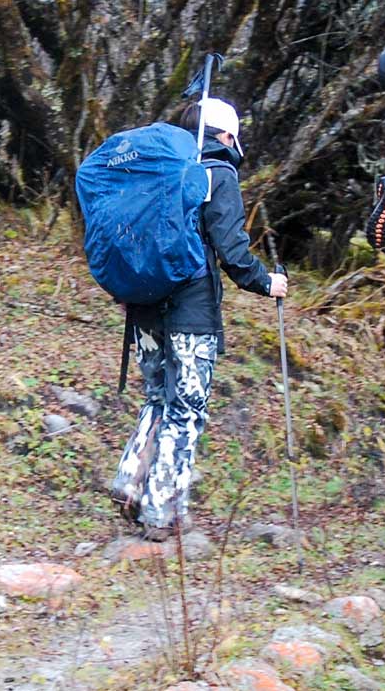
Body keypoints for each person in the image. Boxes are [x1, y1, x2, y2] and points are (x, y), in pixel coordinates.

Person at [110, 98, 288, 540]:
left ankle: (130, 479)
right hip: (192, 314)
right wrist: (267, 283)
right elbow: (231, 249)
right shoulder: (218, 173)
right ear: (227, 136)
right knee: (186, 408)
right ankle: (161, 510)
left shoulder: (157, 171)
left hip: (145, 307)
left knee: (157, 398)